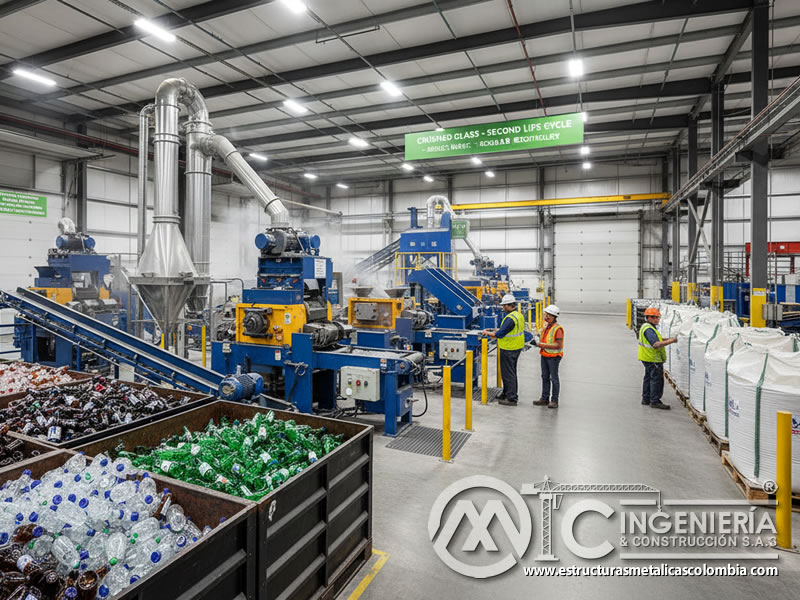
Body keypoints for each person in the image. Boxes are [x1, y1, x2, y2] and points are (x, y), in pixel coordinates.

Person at [482, 294, 525, 406]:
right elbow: (508, 330)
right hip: (516, 348)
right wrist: (496, 330)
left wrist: (488, 333)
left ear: (509, 305)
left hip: (509, 349)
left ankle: (511, 398)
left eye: (504, 306)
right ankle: (506, 393)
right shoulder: (518, 315)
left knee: (508, 374)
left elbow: (500, 334)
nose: (503, 308)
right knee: (509, 372)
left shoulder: (510, 318)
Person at [638, 307, 677, 410]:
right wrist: (671, 341)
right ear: (648, 317)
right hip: (653, 358)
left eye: (657, 317)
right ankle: (655, 401)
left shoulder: (647, 327)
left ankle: (646, 399)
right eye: (654, 317)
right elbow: (656, 344)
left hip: (646, 358)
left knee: (648, 378)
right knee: (656, 380)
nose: (657, 319)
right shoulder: (649, 329)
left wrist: (669, 339)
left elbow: (658, 339)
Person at [533, 305, 563, 409]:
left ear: (554, 317)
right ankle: (544, 398)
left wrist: (542, 345)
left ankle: (554, 400)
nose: (546, 317)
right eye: (546, 315)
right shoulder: (546, 326)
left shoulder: (558, 329)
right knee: (544, 377)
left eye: (548, 315)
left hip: (554, 357)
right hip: (545, 354)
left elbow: (558, 345)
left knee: (553, 378)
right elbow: (541, 336)